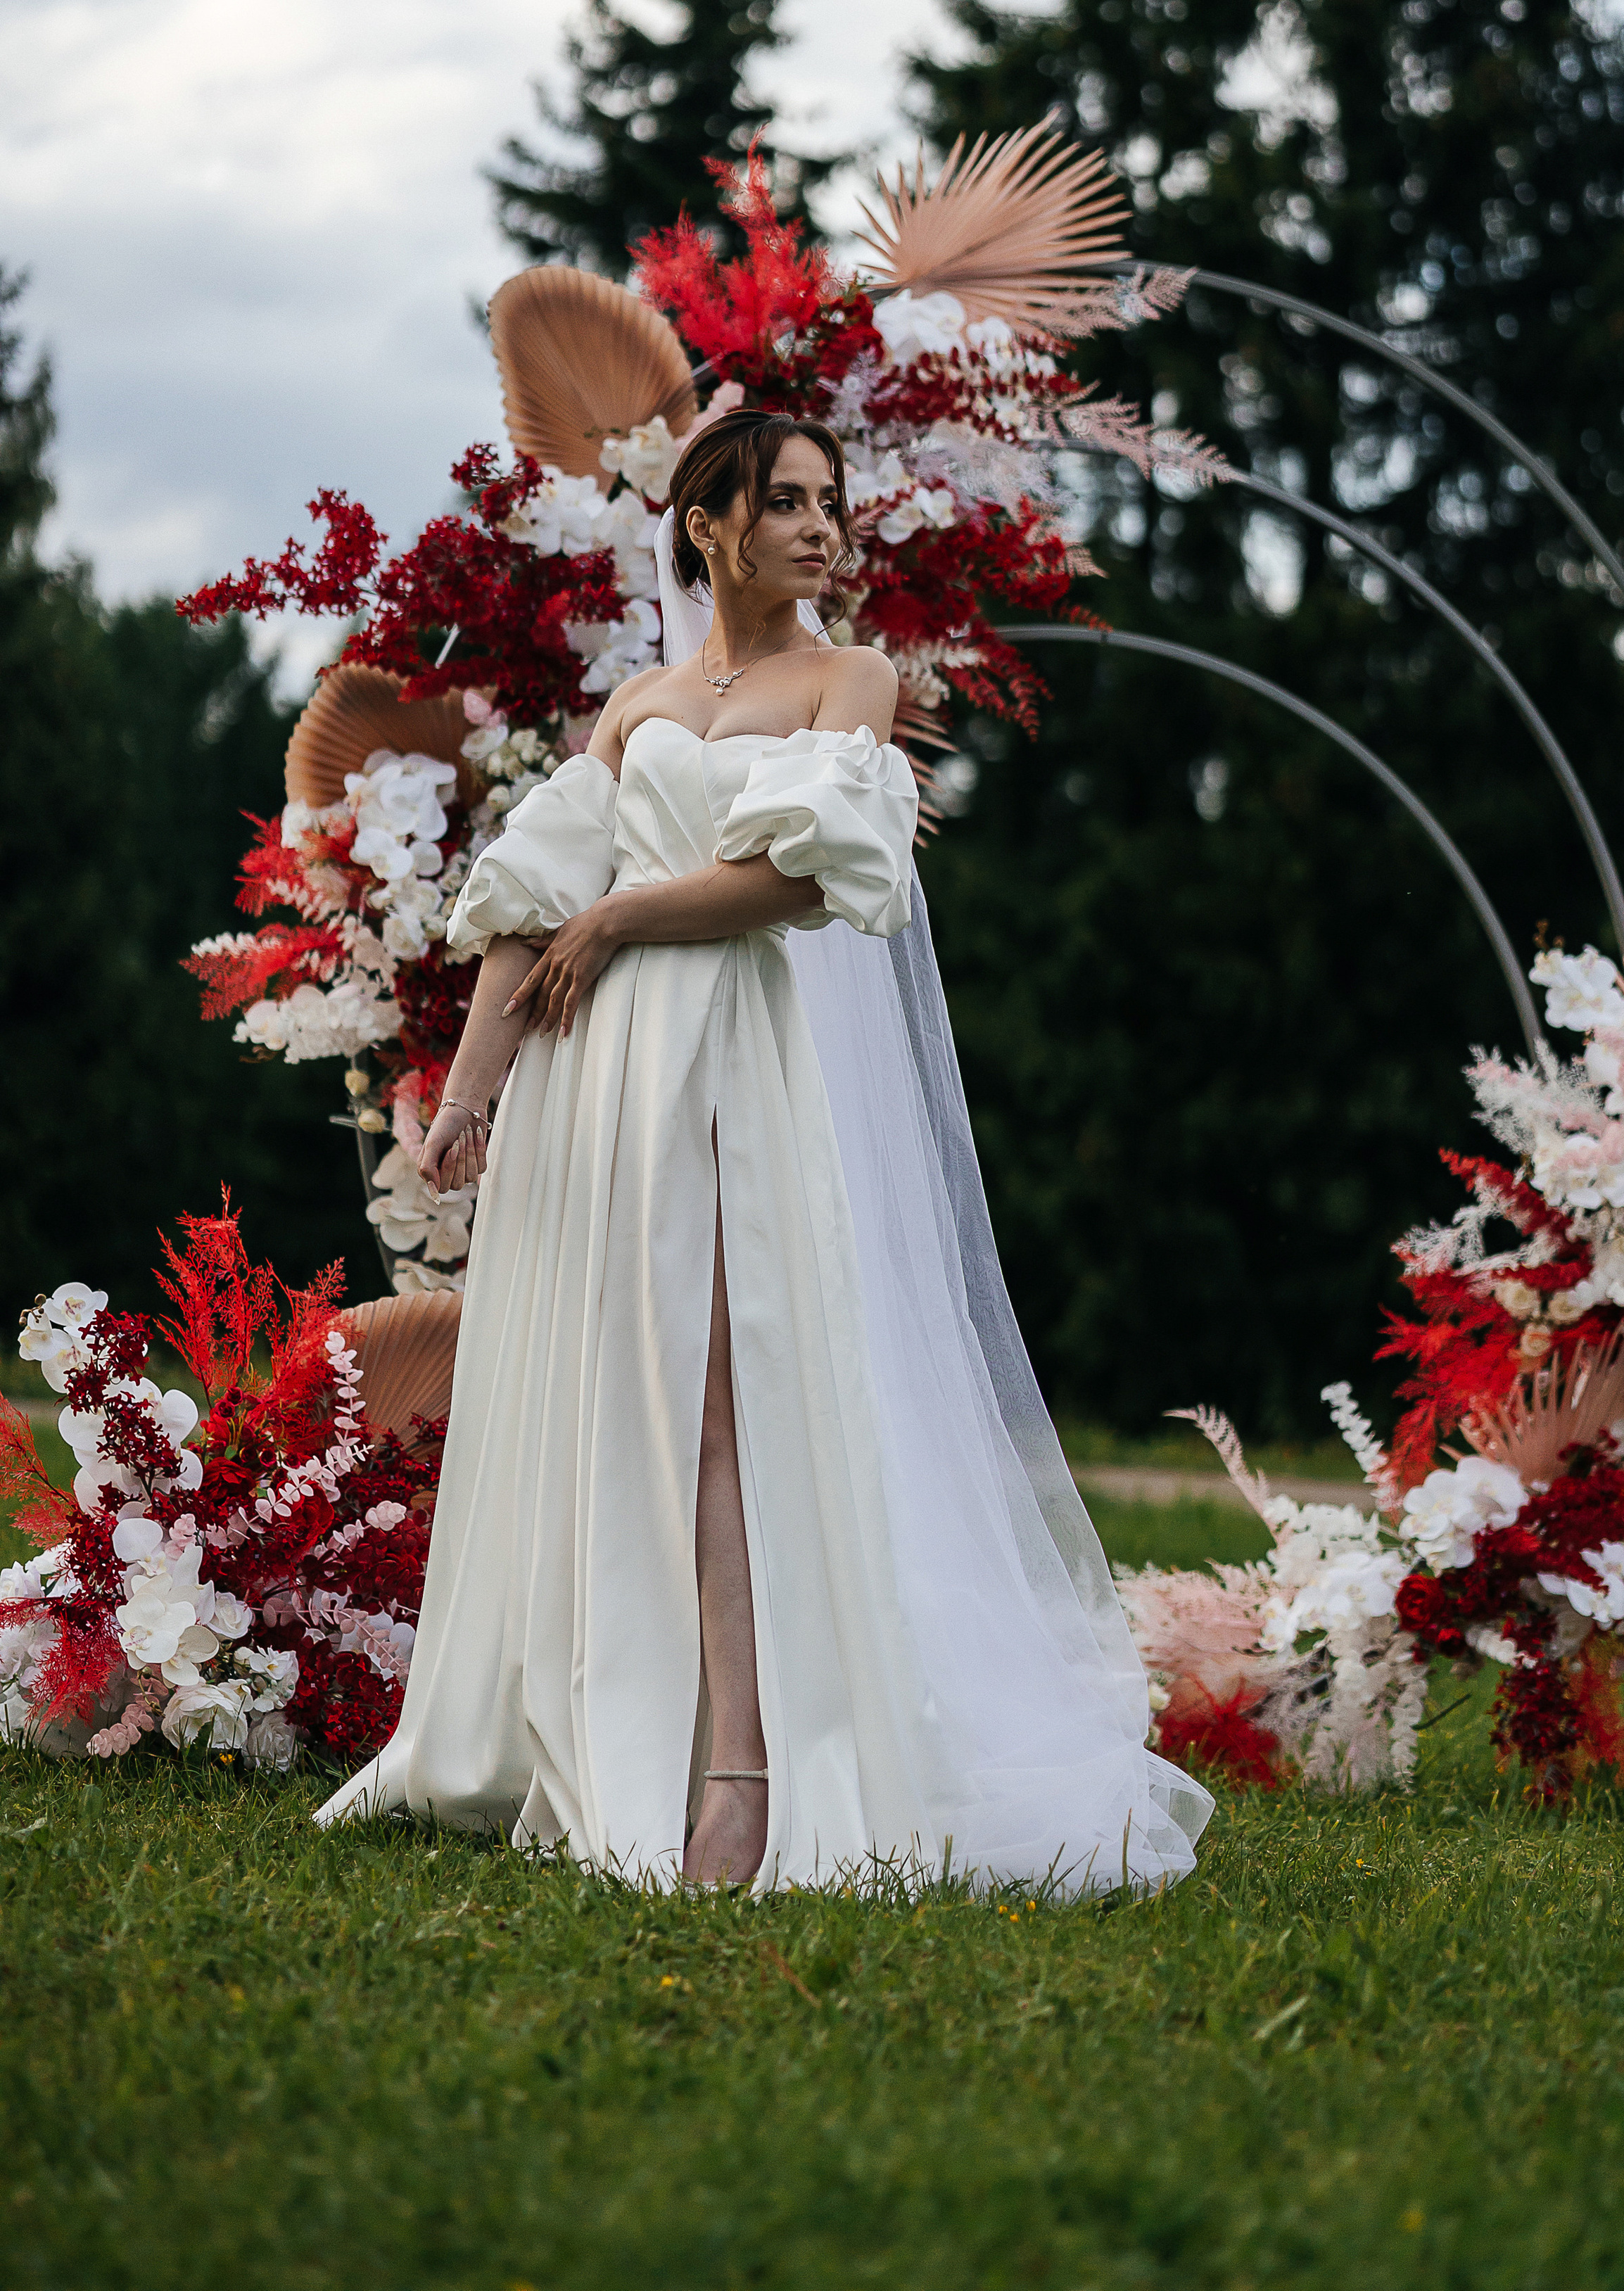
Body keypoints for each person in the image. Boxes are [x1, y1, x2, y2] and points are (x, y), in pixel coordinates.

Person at [316, 406, 1210, 1890]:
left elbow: (795, 883)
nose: (818, 526)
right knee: (620, 1396)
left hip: (728, 1054)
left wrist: (616, 917)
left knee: (727, 1400)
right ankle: (611, 1730)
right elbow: (528, 903)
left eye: (827, 502)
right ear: (707, 523)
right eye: (784, 502)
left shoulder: (848, 678)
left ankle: (744, 1763)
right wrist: (469, 1097)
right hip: (598, 1077)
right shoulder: (636, 702)